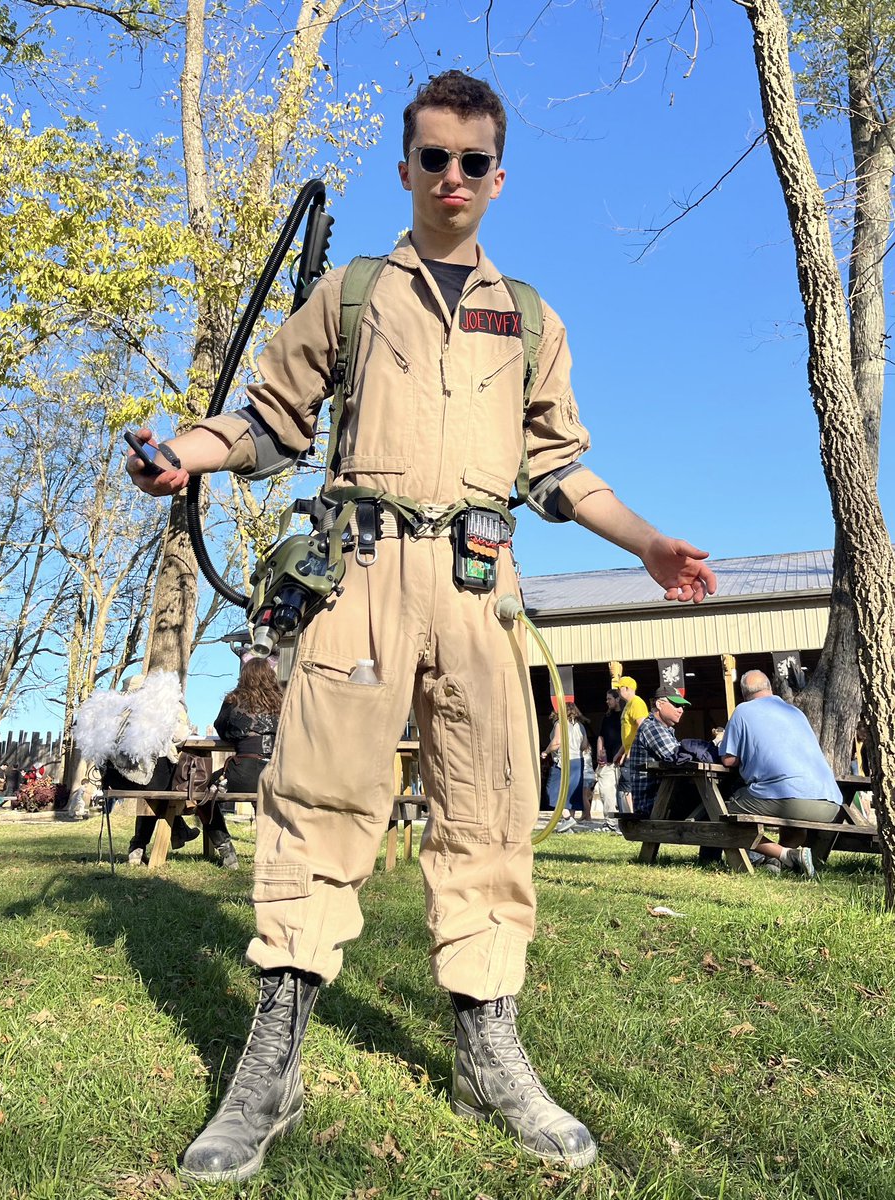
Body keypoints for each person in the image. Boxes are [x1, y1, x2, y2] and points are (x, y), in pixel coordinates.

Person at [126, 72, 716, 1180]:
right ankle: (272, 1066)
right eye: (433, 158)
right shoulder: (350, 295)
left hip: (480, 581)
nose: (453, 178)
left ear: (499, 177)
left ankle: (487, 1055)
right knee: (317, 798)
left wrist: (642, 542)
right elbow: (266, 424)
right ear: (405, 168)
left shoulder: (529, 316)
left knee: (489, 807)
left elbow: (556, 467)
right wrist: (184, 457)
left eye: (473, 162)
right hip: (359, 572)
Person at [719, 670, 841, 879]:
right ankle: (775, 863)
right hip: (830, 804)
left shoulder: (743, 711)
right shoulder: (795, 712)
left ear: (743, 693)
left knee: (724, 813)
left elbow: (729, 760)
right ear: (770, 688)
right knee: (793, 821)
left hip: (789, 799)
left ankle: (785, 854)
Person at [206, 657, 285, 870]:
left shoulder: (234, 700)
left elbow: (222, 728)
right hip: (278, 774)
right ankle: (271, 852)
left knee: (203, 792)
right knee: (265, 799)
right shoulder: (283, 701)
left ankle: (225, 848)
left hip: (244, 771)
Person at [617, 686, 691, 815]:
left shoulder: (663, 728)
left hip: (662, 800)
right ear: (659, 704)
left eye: (683, 707)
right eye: (676, 704)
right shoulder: (652, 727)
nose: (681, 710)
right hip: (654, 804)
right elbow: (679, 759)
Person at [540, 702, 588, 831]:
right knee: (572, 792)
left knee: (553, 790)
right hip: (578, 760)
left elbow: (556, 742)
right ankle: (569, 827)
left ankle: (567, 818)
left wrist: (546, 751)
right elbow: (584, 746)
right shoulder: (580, 726)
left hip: (563, 760)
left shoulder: (560, 723)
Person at [596, 688, 623, 815]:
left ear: (617, 699)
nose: (607, 701)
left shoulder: (625, 715)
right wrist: (599, 752)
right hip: (608, 761)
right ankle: (610, 820)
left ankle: (625, 820)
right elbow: (601, 736)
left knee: (624, 791)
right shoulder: (606, 717)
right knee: (605, 790)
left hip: (623, 760)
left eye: (609, 699)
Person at [614, 676, 648, 767]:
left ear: (627, 688)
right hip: (630, 753)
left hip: (635, 754)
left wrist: (631, 750)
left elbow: (643, 728)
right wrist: (620, 752)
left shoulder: (636, 702)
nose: (617, 691)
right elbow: (628, 733)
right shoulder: (627, 705)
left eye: (619, 688)